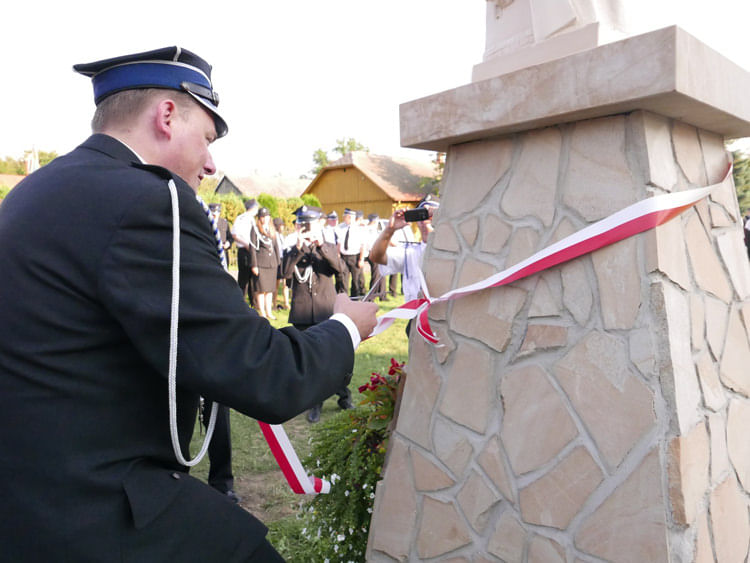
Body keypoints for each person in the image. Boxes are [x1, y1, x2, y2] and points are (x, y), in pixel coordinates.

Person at [0, 46, 377, 562]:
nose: (211, 162)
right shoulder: (147, 200)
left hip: (29, 491)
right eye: (207, 137)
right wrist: (346, 328)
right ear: (167, 115)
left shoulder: (38, 189)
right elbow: (266, 376)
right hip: (91, 506)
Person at [283, 206, 353, 423]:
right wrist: (298, 249)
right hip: (303, 312)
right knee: (310, 359)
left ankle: (343, 395)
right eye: (301, 224)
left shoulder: (329, 247)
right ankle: (315, 402)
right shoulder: (292, 249)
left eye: (309, 224)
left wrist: (320, 245)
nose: (305, 228)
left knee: (332, 357)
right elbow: (284, 274)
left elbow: (339, 270)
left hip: (325, 310)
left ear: (319, 224)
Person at [369, 195, 440, 303]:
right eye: (420, 216)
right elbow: (376, 257)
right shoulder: (410, 252)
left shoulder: (454, 249)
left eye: (429, 216)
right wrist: (389, 230)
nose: (424, 221)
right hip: (416, 315)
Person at [249, 207, 281, 319]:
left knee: (270, 290)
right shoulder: (255, 229)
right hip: (261, 264)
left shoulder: (271, 229)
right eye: (263, 217)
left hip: (271, 264)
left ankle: (269, 312)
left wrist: (278, 262)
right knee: (261, 290)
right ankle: (262, 312)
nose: (265, 218)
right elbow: (252, 248)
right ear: (259, 218)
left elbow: (276, 246)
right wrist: (254, 265)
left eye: (267, 216)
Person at [232, 198, 259, 298]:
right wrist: (247, 245)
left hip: (252, 250)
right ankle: (241, 299)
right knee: (243, 277)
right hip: (244, 250)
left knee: (253, 277)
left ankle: (253, 301)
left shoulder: (253, 219)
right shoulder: (241, 218)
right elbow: (234, 235)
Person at [337, 208, 366, 297]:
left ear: (349, 217)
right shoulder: (341, 227)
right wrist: (338, 255)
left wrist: (361, 259)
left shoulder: (359, 229)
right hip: (343, 257)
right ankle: (344, 298)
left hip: (355, 257)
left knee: (356, 279)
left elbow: (363, 245)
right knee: (343, 278)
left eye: (344, 217)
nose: (343, 218)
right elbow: (339, 243)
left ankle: (355, 298)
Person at [364, 213, 386, 301]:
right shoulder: (368, 230)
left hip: (379, 252)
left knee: (382, 273)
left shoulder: (376, 229)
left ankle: (382, 294)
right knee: (376, 274)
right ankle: (371, 296)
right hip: (374, 252)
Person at [272, 216, 291, 311]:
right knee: (276, 284)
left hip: (284, 260)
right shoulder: (273, 236)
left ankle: (286, 302)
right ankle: (274, 303)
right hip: (277, 260)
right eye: (281, 225)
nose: (283, 227)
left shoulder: (281, 236)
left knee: (285, 283)